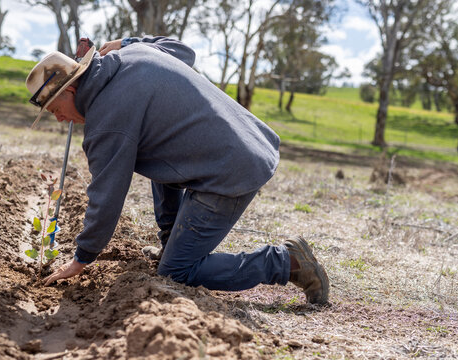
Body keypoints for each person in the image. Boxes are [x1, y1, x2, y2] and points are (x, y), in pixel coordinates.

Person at [26, 36, 329, 304]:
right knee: (156, 150)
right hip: (238, 145)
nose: (60, 120)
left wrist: (81, 258)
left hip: (231, 169)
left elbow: (106, 197)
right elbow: (182, 51)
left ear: (71, 89)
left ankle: (286, 262)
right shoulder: (133, 54)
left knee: (177, 271)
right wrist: (129, 41)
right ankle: (172, 244)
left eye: (55, 109)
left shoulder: (108, 122)